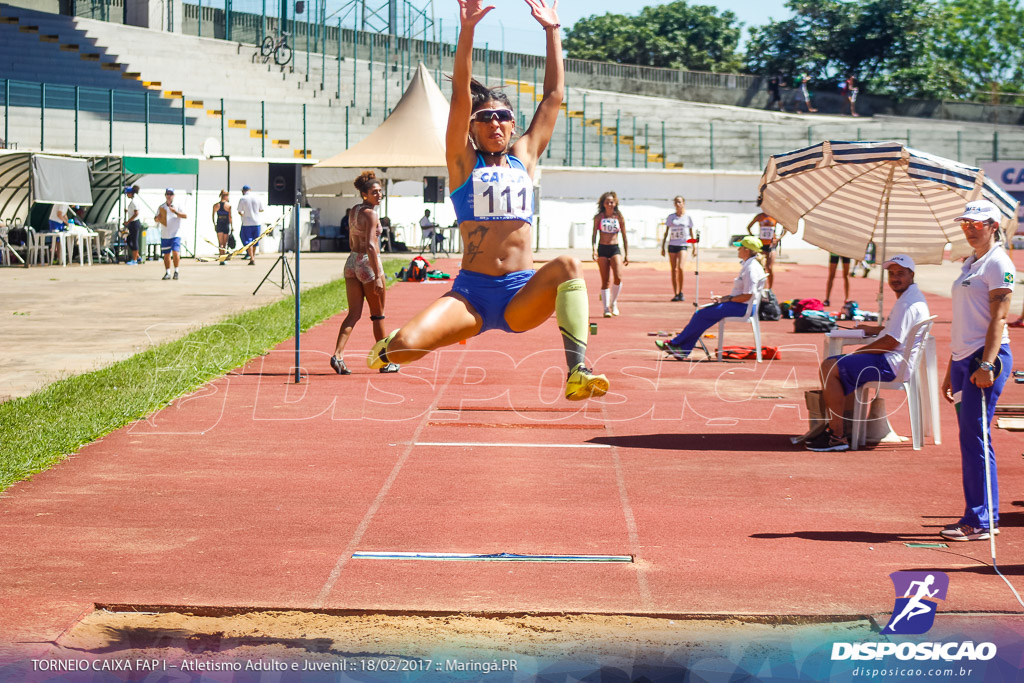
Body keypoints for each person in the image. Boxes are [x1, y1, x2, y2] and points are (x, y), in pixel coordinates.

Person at [367, 0, 608, 402]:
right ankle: (399, 340)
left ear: (514, 124)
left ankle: (578, 370)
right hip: (472, 295)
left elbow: (553, 95)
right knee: (401, 349)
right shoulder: (461, 162)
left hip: (521, 295)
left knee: (568, 263)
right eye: (485, 118)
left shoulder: (524, 156)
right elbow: (460, 95)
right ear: (473, 129)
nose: (494, 122)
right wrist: (468, 30)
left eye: (502, 116)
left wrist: (552, 30)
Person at [939, 199, 1014, 541]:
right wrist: (950, 367)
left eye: (977, 224)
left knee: (976, 437)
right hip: (962, 360)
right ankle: (979, 514)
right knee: (969, 438)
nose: (969, 228)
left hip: (984, 360)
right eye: (965, 224)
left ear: (994, 226)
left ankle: (982, 519)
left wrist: (985, 363)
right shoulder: (971, 262)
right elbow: (965, 321)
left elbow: (999, 318)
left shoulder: (998, 263)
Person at [806, 254, 930, 452]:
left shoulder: (907, 304)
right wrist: (875, 329)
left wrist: (859, 352)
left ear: (911, 275)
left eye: (901, 273)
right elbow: (894, 331)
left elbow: (891, 342)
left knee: (830, 367)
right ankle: (843, 428)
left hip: (892, 365)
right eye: (891, 274)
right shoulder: (912, 298)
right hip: (896, 362)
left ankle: (837, 435)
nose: (895, 278)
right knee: (838, 365)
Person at [331, 171, 399, 375]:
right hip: (368, 263)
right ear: (364, 194)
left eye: (380, 192)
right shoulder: (371, 213)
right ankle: (385, 361)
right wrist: (378, 275)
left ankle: (338, 355)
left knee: (353, 313)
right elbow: (370, 245)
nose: (379, 195)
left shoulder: (354, 211)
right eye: (374, 192)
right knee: (378, 315)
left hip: (352, 261)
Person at [656, 236, 765, 360]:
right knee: (704, 316)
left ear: (746, 250)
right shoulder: (748, 265)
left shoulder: (751, 269)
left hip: (743, 307)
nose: (737, 250)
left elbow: (747, 295)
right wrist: (724, 298)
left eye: (739, 247)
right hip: (740, 304)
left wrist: (727, 300)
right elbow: (743, 294)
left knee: (701, 315)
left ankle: (676, 344)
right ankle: (682, 348)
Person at [592, 191, 629, 317]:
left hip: (615, 248)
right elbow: (594, 235)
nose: (609, 204)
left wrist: (626, 253)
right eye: (607, 202)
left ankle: (614, 303)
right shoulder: (599, 217)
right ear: (603, 204)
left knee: (618, 276)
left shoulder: (618, 217)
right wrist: (594, 249)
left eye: (612, 202)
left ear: (615, 203)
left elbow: (624, 235)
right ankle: (606, 308)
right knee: (605, 280)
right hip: (602, 248)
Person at [661, 195, 693, 302]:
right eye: (676, 202)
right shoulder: (671, 217)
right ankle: (676, 293)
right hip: (672, 245)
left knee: (680, 268)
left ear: (683, 203)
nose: (678, 204)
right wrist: (663, 247)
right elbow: (666, 232)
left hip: (683, 245)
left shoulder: (687, 218)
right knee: (674, 270)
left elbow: (691, 233)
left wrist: (694, 247)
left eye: (679, 202)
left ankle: (681, 291)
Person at [153, 188, 187, 280]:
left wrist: (175, 212)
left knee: (175, 252)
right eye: (167, 194)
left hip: (176, 233)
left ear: (174, 195)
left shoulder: (178, 205)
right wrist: (158, 218)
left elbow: (185, 216)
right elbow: (156, 219)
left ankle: (176, 271)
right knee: (166, 254)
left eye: (171, 194)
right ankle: (167, 272)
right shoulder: (162, 207)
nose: (169, 196)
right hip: (165, 234)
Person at [746, 209, 780, 290]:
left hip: (771, 244)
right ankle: (762, 288)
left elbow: (786, 228)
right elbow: (749, 227)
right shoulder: (760, 216)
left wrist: (778, 238)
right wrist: (753, 237)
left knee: (769, 267)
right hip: (762, 244)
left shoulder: (775, 216)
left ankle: (770, 289)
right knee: (762, 267)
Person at [236, 184, 264, 265]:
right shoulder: (257, 198)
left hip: (247, 223)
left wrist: (244, 215)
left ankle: (251, 257)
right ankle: (253, 257)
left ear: (243, 191)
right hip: (257, 222)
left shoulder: (243, 199)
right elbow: (261, 209)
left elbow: (240, 211)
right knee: (255, 241)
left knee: (248, 241)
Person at [122, 185, 143, 265]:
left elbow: (136, 213)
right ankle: (137, 256)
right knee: (129, 240)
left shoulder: (135, 201)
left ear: (131, 193)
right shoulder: (132, 201)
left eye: (127, 193)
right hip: (132, 223)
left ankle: (134, 260)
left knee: (134, 241)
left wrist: (128, 221)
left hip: (134, 223)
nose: (127, 195)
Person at [211, 190, 232, 265]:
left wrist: (214, 224)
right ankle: (223, 258)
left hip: (219, 223)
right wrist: (232, 226)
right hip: (226, 224)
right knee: (224, 242)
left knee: (220, 243)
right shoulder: (228, 206)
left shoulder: (216, 205)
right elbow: (230, 218)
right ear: (225, 196)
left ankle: (221, 258)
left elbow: (213, 216)